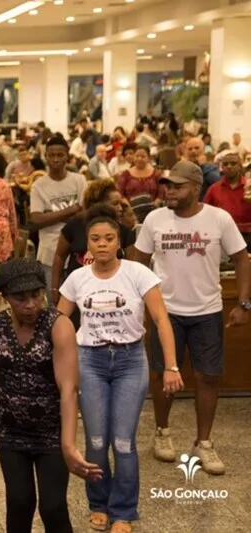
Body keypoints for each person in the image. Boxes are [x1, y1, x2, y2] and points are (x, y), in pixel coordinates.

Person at [57, 206, 182, 532]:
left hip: (130, 362)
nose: (101, 244)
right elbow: (57, 323)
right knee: (97, 440)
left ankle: (124, 511)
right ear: (87, 244)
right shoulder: (77, 278)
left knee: (123, 441)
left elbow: (160, 320)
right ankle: (99, 503)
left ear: (118, 242)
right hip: (90, 361)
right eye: (95, 239)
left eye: (108, 238)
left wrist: (171, 365)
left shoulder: (138, 273)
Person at [131, 160, 251, 476]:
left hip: (207, 311)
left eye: (177, 186)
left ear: (195, 188)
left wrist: (243, 303)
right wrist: (138, 305)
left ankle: (204, 443)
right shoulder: (154, 219)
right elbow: (138, 262)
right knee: (162, 374)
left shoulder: (218, 219)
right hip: (164, 313)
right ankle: (162, 432)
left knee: (207, 377)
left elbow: (241, 258)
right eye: (167, 185)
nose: (169, 190)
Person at [0, 258, 100, 533]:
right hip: (9, 429)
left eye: (36, 295)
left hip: (50, 430)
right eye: (20, 298)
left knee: (52, 506)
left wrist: (68, 446)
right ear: (5, 297)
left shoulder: (58, 325)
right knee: (19, 501)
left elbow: (68, 389)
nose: (30, 304)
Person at [51, 179, 136, 308]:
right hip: (78, 295)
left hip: (113, 295)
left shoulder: (124, 232)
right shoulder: (74, 226)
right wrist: (54, 287)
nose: (119, 208)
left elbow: (132, 266)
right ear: (97, 204)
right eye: (115, 203)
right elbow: (59, 256)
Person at [30, 136, 88, 303]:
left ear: (67, 156)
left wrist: (51, 215)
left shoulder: (79, 180)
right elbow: (37, 219)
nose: (55, 159)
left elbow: (85, 212)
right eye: (51, 155)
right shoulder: (39, 186)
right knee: (54, 302)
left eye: (60, 155)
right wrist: (71, 210)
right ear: (45, 157)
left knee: (78, 301)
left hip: (77, 253)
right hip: (49, 253)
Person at [203, 151, 251, 250]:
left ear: (240, 166)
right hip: (222, 236)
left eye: (233, 163)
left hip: (248, 235)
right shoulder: (214, 189)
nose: (229, 166)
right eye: (225, 164)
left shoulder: (249, 186)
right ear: (221, 168)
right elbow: (204, 213)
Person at [116, 145, 164, 223]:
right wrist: (130, 209)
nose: (139, 159)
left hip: (153, 214)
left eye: (143, 156)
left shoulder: (157, 174)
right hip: (130, 215)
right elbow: (120, 194)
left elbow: (161, 194)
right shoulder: (125, 174)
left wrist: (153, 208)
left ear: (149, 158)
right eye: (137, 156)